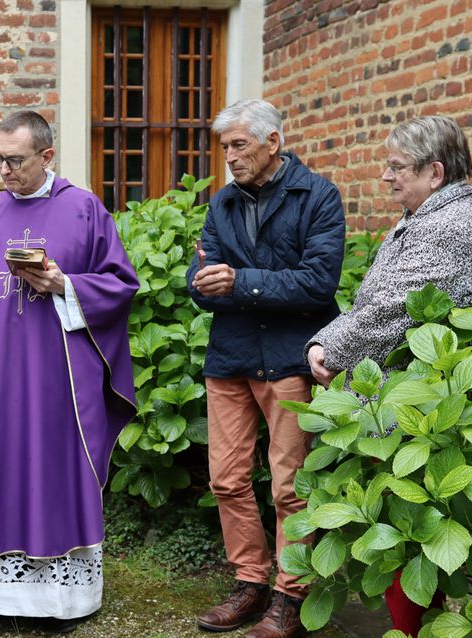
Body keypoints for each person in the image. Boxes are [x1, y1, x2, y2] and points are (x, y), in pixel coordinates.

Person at [0, 110, 138, 634]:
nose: (4, 170)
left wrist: (65, 284)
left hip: (56, 382)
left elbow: (120, 282)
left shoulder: (84, 210)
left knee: (51, 473)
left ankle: (57, 603)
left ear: (46, 157)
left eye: (14, 160)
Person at [187, 99, 347, 638]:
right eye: (224, 147)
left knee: (290, 487)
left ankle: (291, 595)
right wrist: (203, 284)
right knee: (227, 480)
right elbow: (201, 277)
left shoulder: (318, 196)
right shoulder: (221, 205)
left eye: (239, 145)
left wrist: (241, 282)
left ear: (272, 142)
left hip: (289, 360)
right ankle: (251, 583)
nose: (230, 157)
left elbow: (318, 284)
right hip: (230, 358)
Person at [306, 115, 472, 388]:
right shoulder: (426, 215)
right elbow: (377, 302)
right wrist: (323, 342)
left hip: (425, 400)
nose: (386, 176)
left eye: (397, 167)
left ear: (435, 173)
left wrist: (327, 350)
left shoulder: (446, 225)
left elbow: (389, 313)